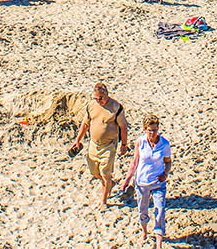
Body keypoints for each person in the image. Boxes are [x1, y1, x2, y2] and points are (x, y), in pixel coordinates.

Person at [71, 83, 129, 207]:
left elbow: (123, 127)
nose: (98, 101)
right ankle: (109, 184)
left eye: (100, 98)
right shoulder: (91, 106)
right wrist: (78, 140)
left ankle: (104, 201)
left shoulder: (116, 107)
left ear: (106, 94)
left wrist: (124, 144)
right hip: (94, 144)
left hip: (109, 145)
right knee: (94, 171)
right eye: (96, 98)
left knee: (105, 174)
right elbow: (85, 124)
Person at [119, 114, 172, 249]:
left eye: (155, 130)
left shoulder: (164, 144)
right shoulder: (140, 142)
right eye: (150, 130)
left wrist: (165, 174)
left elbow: (168, 161)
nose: (153, 133)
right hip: (142, 182)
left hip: (158, 183)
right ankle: (144, 232)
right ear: (145, 130)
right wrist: (126, 180)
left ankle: (159, 243)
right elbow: (135, 162)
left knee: (160, 210)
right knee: (143, 210)